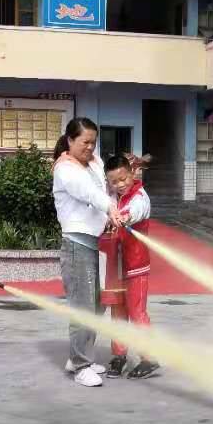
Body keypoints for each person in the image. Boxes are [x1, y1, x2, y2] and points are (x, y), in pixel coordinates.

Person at [52, 118, 125, 388]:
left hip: (98, 242)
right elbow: (89, 193)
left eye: (93, 142)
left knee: (97, 303)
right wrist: (109, 207)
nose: (90, 147)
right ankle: (80, 365)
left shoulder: (95, 162)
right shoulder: (64, 168)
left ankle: (80, 356)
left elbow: (104, 189)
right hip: (76, 243)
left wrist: (114, 207)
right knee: (82, 306)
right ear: (70, 141)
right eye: (85, 142)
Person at [101, 153, 160, 380]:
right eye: (114, 181)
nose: (120, 185)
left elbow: (138, 211)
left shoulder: (140, 196)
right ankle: (119, 356)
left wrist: (124, 217)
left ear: (132, 174)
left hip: (136, 266)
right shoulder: (113, 197)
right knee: (117, 313)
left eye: (123, 179)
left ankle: (149, 357)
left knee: (137, 313)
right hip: (116, 267)